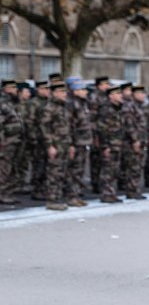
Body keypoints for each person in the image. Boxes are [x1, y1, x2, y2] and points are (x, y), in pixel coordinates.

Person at [39, 80, 72, 211]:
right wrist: (49, 146)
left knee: (61, 172)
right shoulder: (49, 107)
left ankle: (57, 197)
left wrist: (70, 144)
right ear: (56, 93)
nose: (65, 94)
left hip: (64, 145)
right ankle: (52, 200)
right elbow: (44, 128)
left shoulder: (63, 106)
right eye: (62, 92)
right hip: (55, 145)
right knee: (53, 173)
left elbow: (67, 128)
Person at [95, 85, 125, 203]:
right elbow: (102, 130)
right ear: (111, 96)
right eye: (117, 94)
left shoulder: (118, 108)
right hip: (110, 144)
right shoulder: (106, 109)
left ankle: (111, 192)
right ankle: (106, 194)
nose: (120, 96)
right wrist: (105, 146)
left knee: (114, 170)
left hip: (117, 143)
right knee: (107, 170)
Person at [66, 79, 93, 207]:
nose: (85, 92)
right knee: (74, 171)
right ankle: (72, 196)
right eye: (82, 90)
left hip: (83, 141)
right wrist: (71, 144)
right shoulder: (72, 104)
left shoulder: (83, 104)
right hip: (76, 142)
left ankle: (76, 194)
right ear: (75, 91)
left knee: (80, 170)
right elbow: (69, 126)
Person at [121, 85, 148, 200]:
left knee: (138, 166)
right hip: (132, 142)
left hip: (140, 140)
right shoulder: (129, 107)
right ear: (135, 94)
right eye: (141, 93)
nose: (143, 96)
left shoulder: (139, 106)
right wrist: (135, 140)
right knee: (133, 167)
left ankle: (134, 188)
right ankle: (131, 190)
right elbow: (129, 125)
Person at [0, 79, 23, 204]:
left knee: (11, 168)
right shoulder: (2, 102)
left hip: (15, 140)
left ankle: (8, 193)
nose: (15, 90)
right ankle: (3, 194)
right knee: (4, 169)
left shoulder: (11, 102)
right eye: (13, 88)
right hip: (6, 142)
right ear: (7, 89)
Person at [89, 76, 111, 193]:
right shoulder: (95, 97)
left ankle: (101, 183)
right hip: (97, 132)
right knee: (96, 159)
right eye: (105, 84)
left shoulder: (105, 96)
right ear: (99, 85)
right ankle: (96, 184)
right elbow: (92, 118)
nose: (107, 86)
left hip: (104, 131)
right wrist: (95, 135)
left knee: (103, 160)